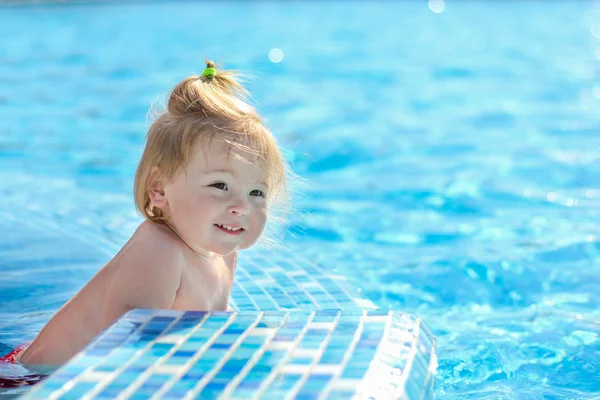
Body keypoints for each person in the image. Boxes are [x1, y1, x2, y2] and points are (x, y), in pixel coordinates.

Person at [1, 61, 289, 371]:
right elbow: (125, 351)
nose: (242, 206)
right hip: (31, 378)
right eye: (220, 185)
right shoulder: (159, 250)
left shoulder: (223, 255)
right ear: (159, 190)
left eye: (256, 193)